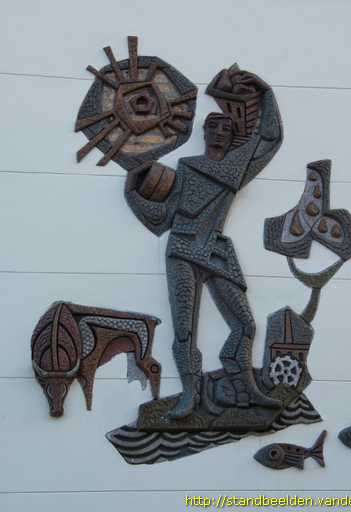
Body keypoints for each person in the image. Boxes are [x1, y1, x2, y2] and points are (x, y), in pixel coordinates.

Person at [125, 69, 283, 419]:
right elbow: (165, 215)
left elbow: (269, 138)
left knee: (245, 324)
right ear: (205, 132)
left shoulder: (236, 168)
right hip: (182, 250)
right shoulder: (186, 168)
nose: (220, 133)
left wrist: (266, 93)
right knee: (184, 330)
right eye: (214, 128)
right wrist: (133, 191)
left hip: (216, 250)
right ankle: (190, 395)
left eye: (227, 129)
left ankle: (245, 387)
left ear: (232, 137)